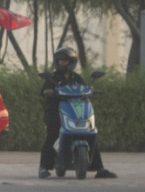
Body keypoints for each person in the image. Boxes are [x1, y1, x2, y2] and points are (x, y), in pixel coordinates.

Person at [39, 46, 116, 179]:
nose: (61, 63)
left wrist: (88, 93)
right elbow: (44, 90)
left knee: (89, 132)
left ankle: (100, 169)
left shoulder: (77, 78)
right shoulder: (53, 78)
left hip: (75, 109)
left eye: (64, 60)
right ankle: (43, 168)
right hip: (55, 110)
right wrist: (50, 91)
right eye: (59, 60)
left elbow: (84, 90)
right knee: (53, 133)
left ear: (72, 62)